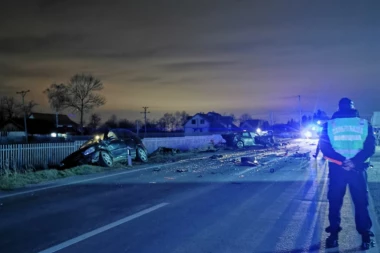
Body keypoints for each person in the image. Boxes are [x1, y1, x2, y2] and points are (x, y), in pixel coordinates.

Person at [319, 97, 376, 249]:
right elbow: (370, 147)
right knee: (361, 203)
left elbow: (325, 148)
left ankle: (333, 236)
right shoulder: (364, 124)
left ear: (339, 108)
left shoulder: (329, 125)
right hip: (357, 170)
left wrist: (342, 161)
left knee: (335, 202)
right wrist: (354, 162)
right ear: (353, 107)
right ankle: (365, 236)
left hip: (338, 170)